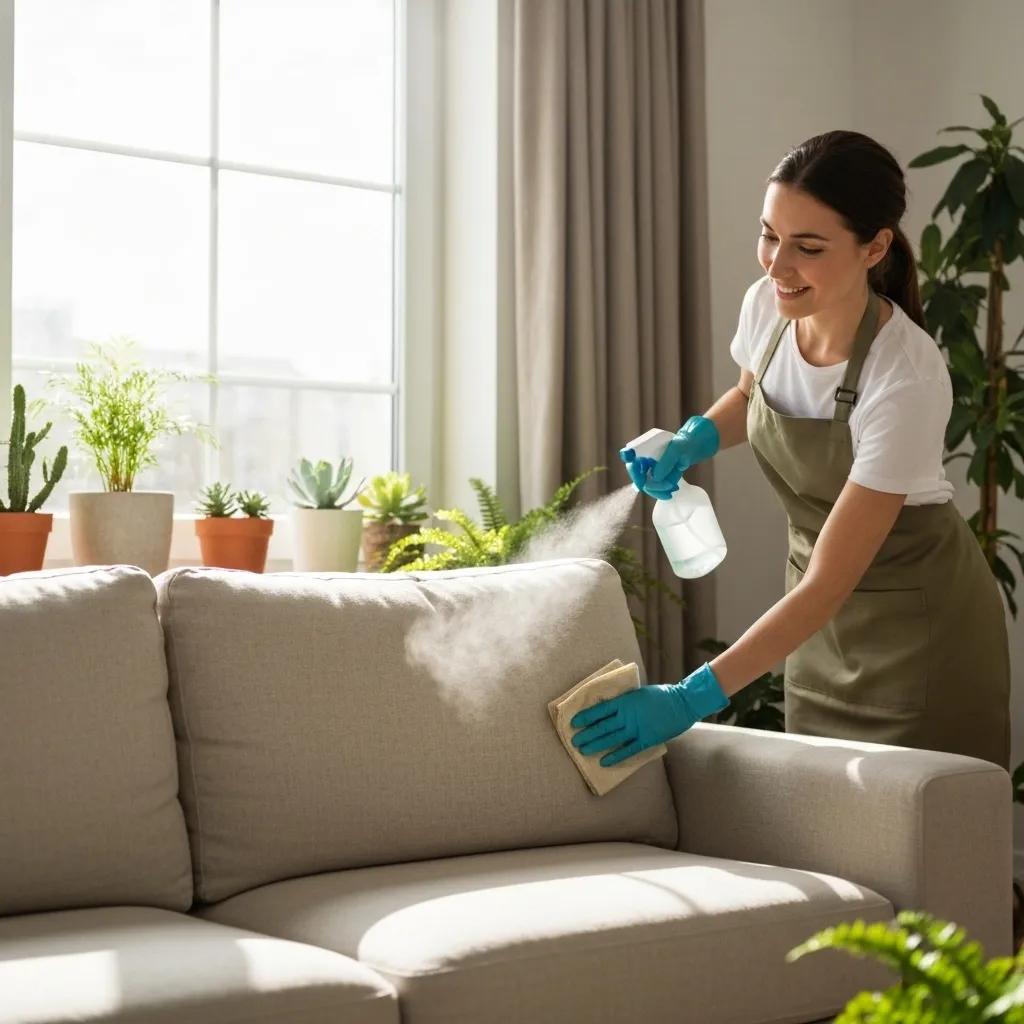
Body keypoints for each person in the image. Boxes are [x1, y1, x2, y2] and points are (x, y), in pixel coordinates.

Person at [570, 130, 1011, 777]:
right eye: (769, 235)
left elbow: (833, 580)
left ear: (876, 247)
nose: (776, 266)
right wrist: (695, 439)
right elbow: (752, 395)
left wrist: (690, 698)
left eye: (807, 247)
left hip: (919, 640)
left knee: (932, 846)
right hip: (815, 624)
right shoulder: (769, 308)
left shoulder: (905, 375)